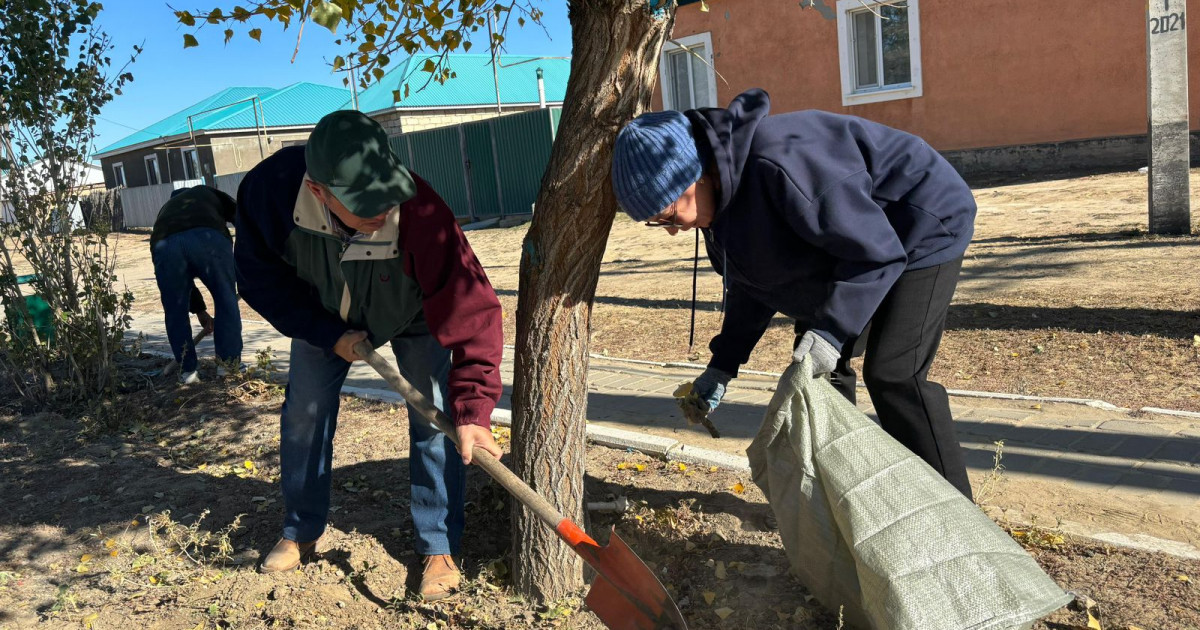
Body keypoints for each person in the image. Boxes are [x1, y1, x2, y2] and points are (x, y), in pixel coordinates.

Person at [610, 89, 978, 499]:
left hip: (920, 221)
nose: (675, 230)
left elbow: (876, 255)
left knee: (894, 373)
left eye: (669, 215)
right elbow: (754, 284)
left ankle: (956, 514)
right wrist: (723, 365)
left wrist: (831, 332)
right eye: (658, 223)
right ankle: (850, 496)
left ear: (696, 175)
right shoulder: (720, 206)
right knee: (821, 379)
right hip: (844, 244)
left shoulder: (782, 167)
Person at [234, 110, 504, 600]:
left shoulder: (421, 210)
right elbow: (260, 280)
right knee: (304, 413)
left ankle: (439, 545)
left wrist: (474, 410)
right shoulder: (270, 193)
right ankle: (300, 529)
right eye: (366, 205)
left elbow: (474, 310)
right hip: (323, 317)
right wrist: (325, 331)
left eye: (388, 195)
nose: (384, 209)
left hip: (413, 312)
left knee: (434, 418)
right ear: (320, 191)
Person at [150, 185, 243, 384]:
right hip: (208, 239)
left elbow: (182, 285)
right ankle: (228, 366)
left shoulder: (165, 211)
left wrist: (199, 310)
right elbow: (241, 216)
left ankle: (188, 373)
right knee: (225, 299)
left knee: (175, 310)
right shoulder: (206, 192)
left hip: (164, 245)